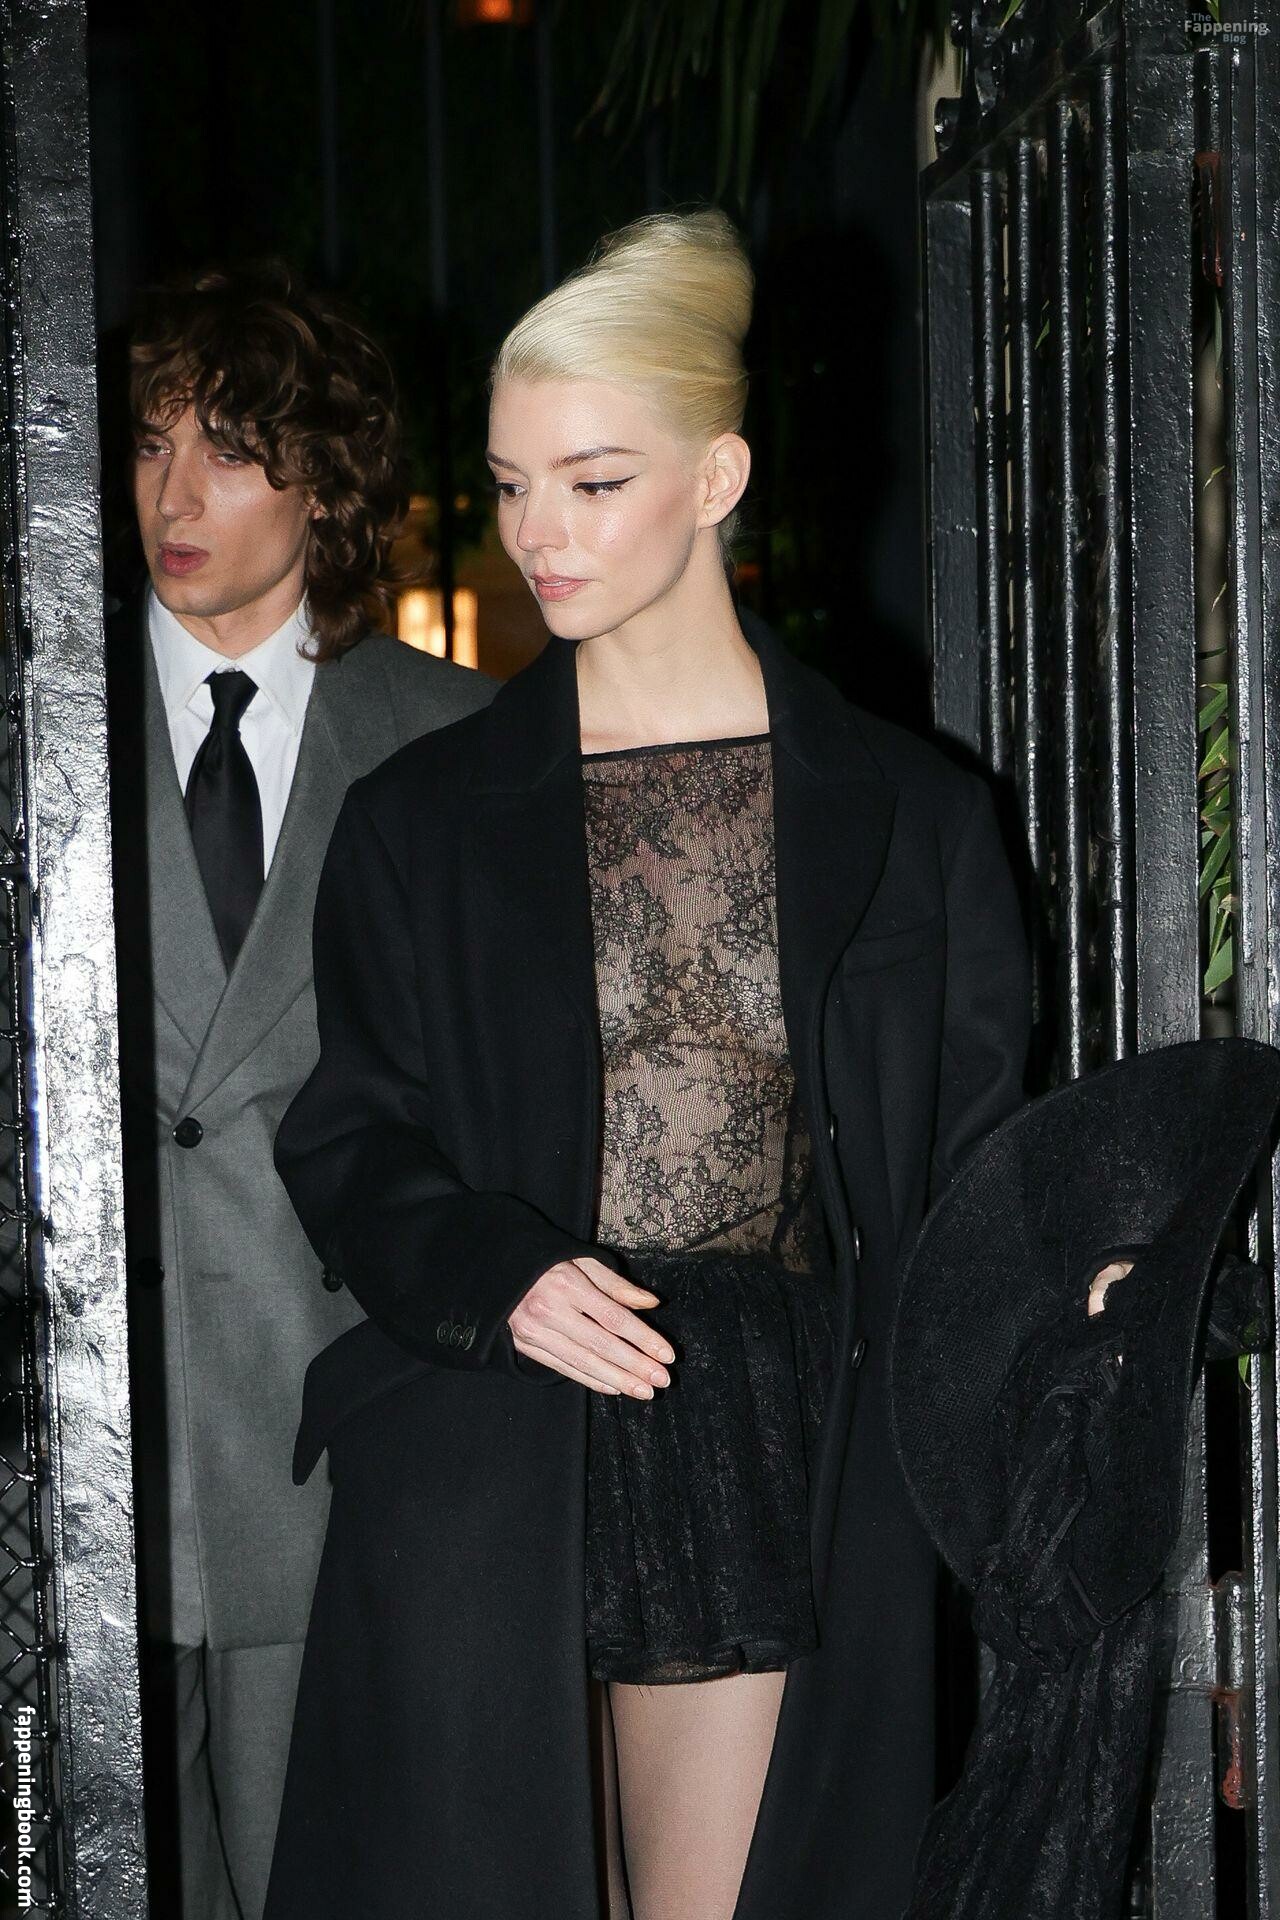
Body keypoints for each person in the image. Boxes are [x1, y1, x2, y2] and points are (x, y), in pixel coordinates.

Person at [264, 211, 1031, 1920]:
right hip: (491, 1450)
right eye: (509, 483)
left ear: (716, 476)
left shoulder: (914, 815)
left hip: (774, 1445)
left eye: (592, 481)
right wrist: (499, 1274)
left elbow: (980, 1170)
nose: (536, 532)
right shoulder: (421, 823)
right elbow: (350, 1140)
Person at [105, 263, 491, 1920]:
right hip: (81, 1447)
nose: (173, 494)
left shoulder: (454, 741)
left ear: (326, 486)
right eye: (149, 444)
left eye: (229, 449)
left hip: (346, 1452)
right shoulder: (41, 720)